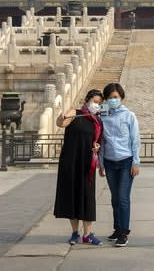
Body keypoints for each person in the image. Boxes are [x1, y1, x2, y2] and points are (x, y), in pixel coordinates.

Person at [54, 89, 104, 246]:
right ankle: (75, 233)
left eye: (99, 103)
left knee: (87, 197)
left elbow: (99, 142)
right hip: (70, 161)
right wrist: (60, 118)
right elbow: (62, 123)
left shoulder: (97, 121)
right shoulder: (75, 113)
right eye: (95, 101)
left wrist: (97, 147)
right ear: (87, 100)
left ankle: (88, 234)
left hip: (87, 163)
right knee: (71, 196)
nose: (97, 105)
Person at [98, 83, 140, 247]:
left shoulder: (130, 116)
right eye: (109, 98)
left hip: (126, 161)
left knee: (123, 198)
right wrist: (101, 163)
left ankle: (124, 232)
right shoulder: (103, 115)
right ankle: (117, 228)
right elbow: (101, 140)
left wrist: (136, 162)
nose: (113, 100)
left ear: (121, 97)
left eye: (115, 97)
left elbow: (135, 140)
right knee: (115, 198)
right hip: (109, 161)